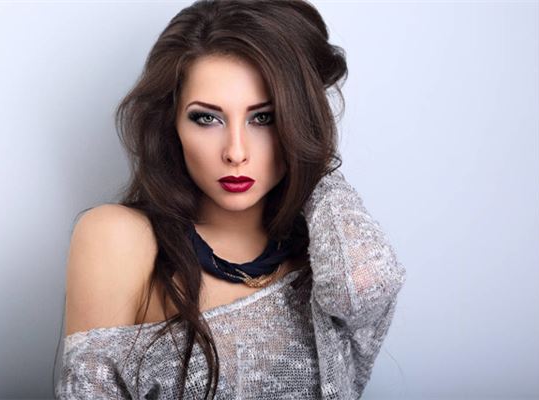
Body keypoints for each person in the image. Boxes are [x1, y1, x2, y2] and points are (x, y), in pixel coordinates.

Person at [53, 0, 407, 399]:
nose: (236, 152)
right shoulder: (120, 238)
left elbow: (363, 288)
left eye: (264, 118)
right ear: (172, 124)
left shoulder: (330, 256)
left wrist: (313, 164)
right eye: (207, 118)